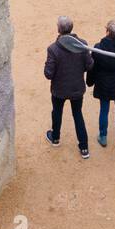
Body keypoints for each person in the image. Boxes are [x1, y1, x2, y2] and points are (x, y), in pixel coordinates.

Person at [44, 16, 92, 158]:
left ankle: (56, 138)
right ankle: (84, 148)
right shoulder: (83, 45)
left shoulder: (53, 49)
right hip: (77, 88)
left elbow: (48, 74)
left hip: (59, 90)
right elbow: (89, 65)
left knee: (57, 112)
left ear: (59, 29)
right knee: (78, 115)